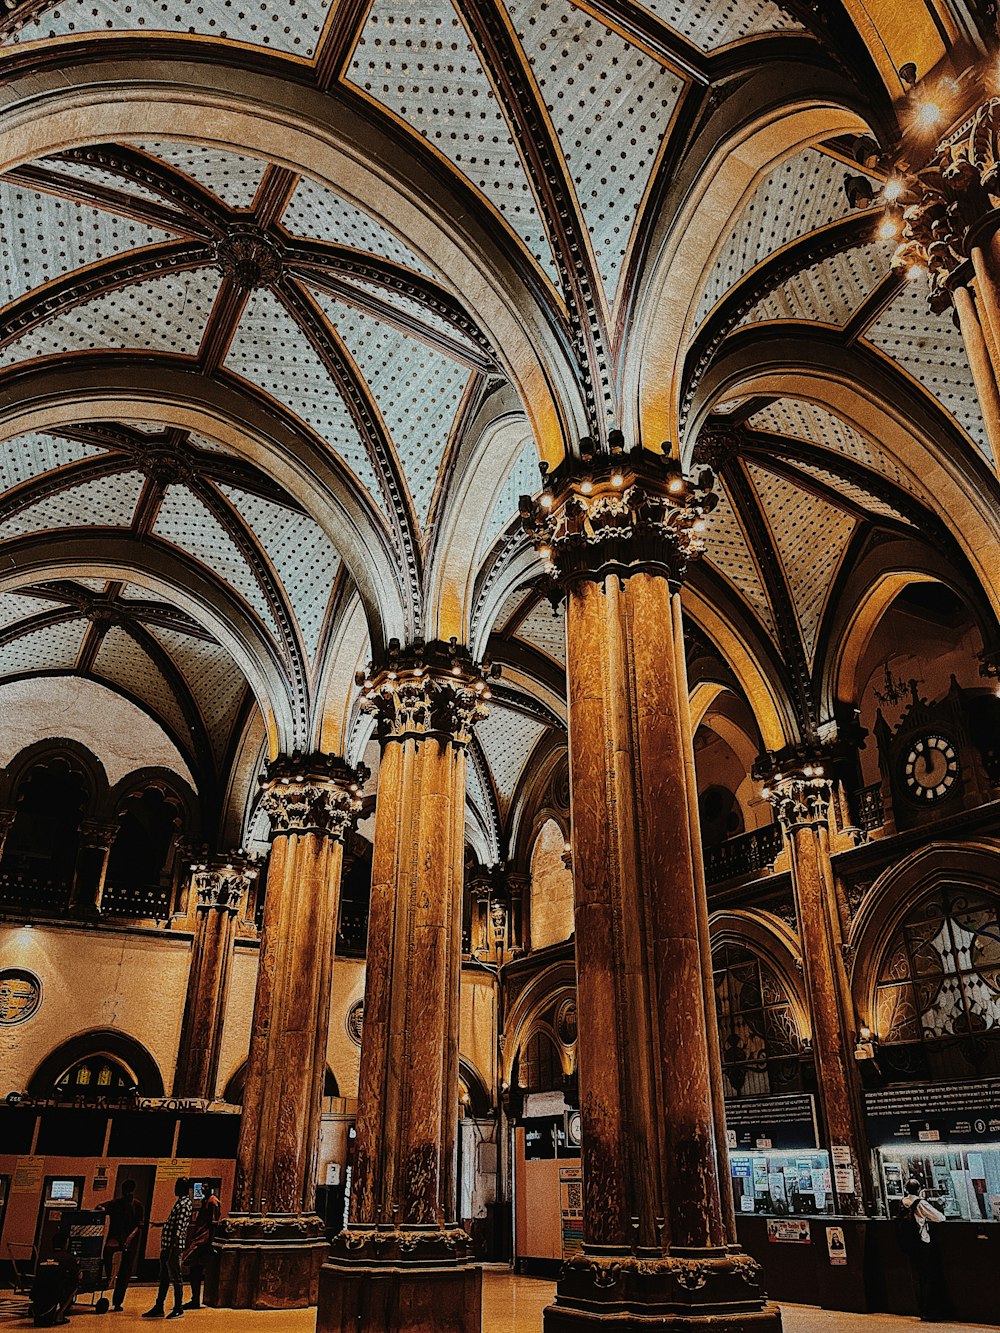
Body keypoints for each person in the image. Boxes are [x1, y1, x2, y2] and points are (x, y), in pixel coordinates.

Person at [898, 1177, 951, 1322]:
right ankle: (931, 1311)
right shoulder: (920, 1203)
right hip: (922, 1243)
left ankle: (921, 1309)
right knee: (928, 1277)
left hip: (909, 1245)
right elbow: (940, 1218)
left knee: (918, 1277)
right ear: (919, 1189)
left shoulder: (902, 1203)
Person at [143, 1178, 193, 1320]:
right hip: (168, 1246)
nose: (175, 1188)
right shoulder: (181, 1202)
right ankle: (159, 1306)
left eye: (177, 1185)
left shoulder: (184, 1203)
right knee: (164, 1277)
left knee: (176, 1277)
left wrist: (172, 1247)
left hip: (173, 1247)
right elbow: (175, 1223)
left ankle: (178, 1308)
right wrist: (161, 1225)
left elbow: (180, 1227)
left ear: (183, 1187)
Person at [98, 1178, 144, 1312]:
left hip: (129, 1239)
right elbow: (101, 1206)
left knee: (125, 1271)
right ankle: (108, 1277)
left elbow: (138, 1226)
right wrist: (101, 1208)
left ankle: (118, 1301)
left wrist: (129, 1238)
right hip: (118, 1238)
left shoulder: (136, 1205)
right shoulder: (116, 1204)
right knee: (108, 1252)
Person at [31, 1226, 79, 1327]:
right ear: (66, 1243)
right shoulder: (68, 1258)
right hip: (55, 1291)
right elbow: (74, 1277)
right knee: (74, 1286)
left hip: (37, 1290)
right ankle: (60, 1314)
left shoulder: (43, 1256)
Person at [182, 1186, 220, 1310]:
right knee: (194, 1270)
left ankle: (195, 1299)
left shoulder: (212, 1202)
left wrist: (210, 1241)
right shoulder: (206, 1201)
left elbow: (214, 1222)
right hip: (199, 1238)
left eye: (206, 1188)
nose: (203, 1190)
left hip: (203, 1240)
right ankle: (195, 1298)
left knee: (195, 1268)